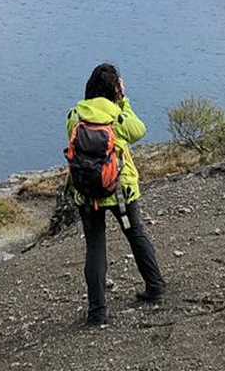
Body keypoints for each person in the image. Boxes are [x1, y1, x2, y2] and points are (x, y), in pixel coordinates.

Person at [67, 63, 165, 325]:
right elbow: (139, 131)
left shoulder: (75, 115)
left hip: (87, 194)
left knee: (95, 248)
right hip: (121, 192)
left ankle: (97, 313)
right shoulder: (117, 116)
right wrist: (124, 102)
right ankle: (155, 287)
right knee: (136, 235)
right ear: (116, 89)